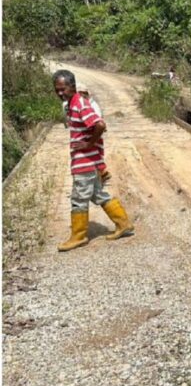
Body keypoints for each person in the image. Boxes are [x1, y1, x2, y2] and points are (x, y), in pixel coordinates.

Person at [53, 70, 134, 252]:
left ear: (72, 86)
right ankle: (124, 224)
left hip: (85, 162)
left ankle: (78, 236)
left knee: (79, 199)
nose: (60, 93)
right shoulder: (72, 103)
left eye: (63, 89)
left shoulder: (79, 104)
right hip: (89, 162)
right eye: (57, 90)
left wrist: (88, 144)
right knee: (98, 195)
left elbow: (100, 125)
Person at [78, 84, 112, 183]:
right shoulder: (81, 105)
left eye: (83, 94)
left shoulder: (92, 106)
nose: (81, 96)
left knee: (93, 154)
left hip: (94, 135)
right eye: (80, 94)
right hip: (87, 135)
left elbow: (99, 123)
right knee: (91, 155)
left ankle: (101, 174)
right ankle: (101, 173)